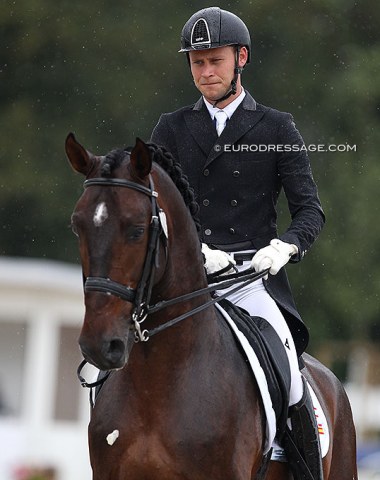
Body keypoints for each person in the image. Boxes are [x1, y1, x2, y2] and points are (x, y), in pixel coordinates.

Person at [151, 6, 325, 479]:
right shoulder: (170, 128)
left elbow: (309, 211)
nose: (205, 72)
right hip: (184, 279)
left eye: (215, 61)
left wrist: (283, 248)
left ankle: (304, 466)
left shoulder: (275, 127)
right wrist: (187, 246)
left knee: (290, 379)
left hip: (250, 281)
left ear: (240, 58)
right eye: (197, 62)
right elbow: (155, 207)